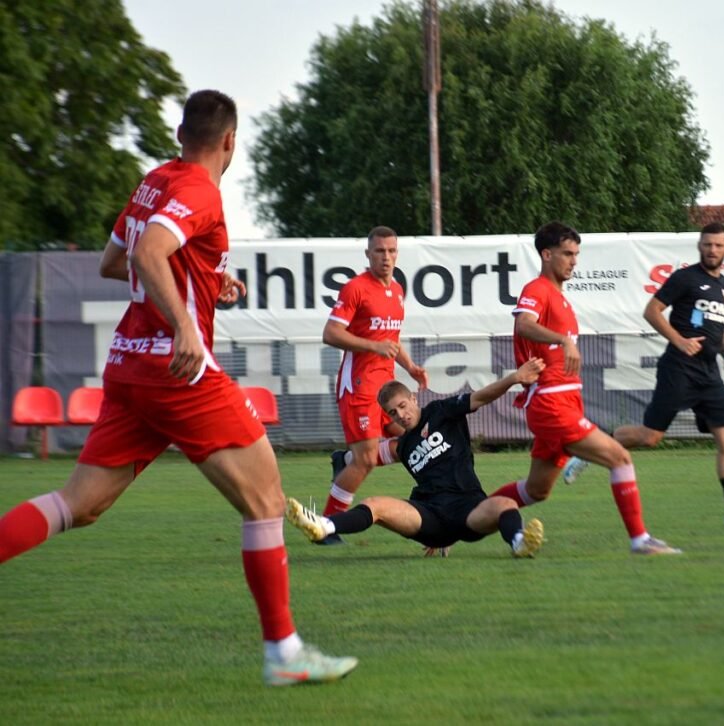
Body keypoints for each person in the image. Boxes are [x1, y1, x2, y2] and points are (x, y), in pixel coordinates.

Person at [0, 90, 356, 686]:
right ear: (230, 141)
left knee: (78, 505)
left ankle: (285, 652)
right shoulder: (199, 190)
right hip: (178, 370)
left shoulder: (154, 181)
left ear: (180, 134)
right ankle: (284, 653)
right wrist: (186, 323)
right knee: (266, 502)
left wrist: (204, 281)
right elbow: (148, 253)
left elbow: (115, 262)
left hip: (129, 367)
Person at [562, 222, 724, 529]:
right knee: (650, 437)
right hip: (679, 369)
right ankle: (589, 450)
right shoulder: (685, 278)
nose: (712, 250)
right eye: (707, 244)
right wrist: (679, 340)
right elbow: (652, 311)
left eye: (718, 245)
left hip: (709, 374)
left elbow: (719, 329)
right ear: (699, 246)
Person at [487, 222, 681, 555]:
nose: (574, 261)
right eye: (567, 253)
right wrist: (563, 340)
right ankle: (640, 540)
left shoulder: (559, 297)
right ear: (546, 255)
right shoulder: (538, 289)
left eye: (576, 254)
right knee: (620, 457)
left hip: (564, 402)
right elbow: (524, 324)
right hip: (551, 403)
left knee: (536, 490)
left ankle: (460, 520)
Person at [286, 359, 547, 558]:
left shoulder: (442, 411)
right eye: (392, 413)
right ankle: (323, 525)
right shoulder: (402, 446)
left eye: (402, 406)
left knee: (504, 503)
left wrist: (514, 378)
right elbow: (370, 456)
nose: (400, 415)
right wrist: (344, 459)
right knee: (375, 504)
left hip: (468, 509)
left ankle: (519, 543)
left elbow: (481, 396)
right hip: (430, 516)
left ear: (413, 398)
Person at [320, 227, 428, 518]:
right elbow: (330, 333)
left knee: (415, 441)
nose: (386, 257)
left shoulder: (397, 291)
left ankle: (346, 461)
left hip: (385, 386)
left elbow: (390, 339)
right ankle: (329, 523)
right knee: (366, 460)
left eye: (391, 251)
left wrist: (411, 367)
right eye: (380, 251)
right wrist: (373, 346)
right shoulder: (356, 288)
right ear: (368, 254)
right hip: (359, 385)